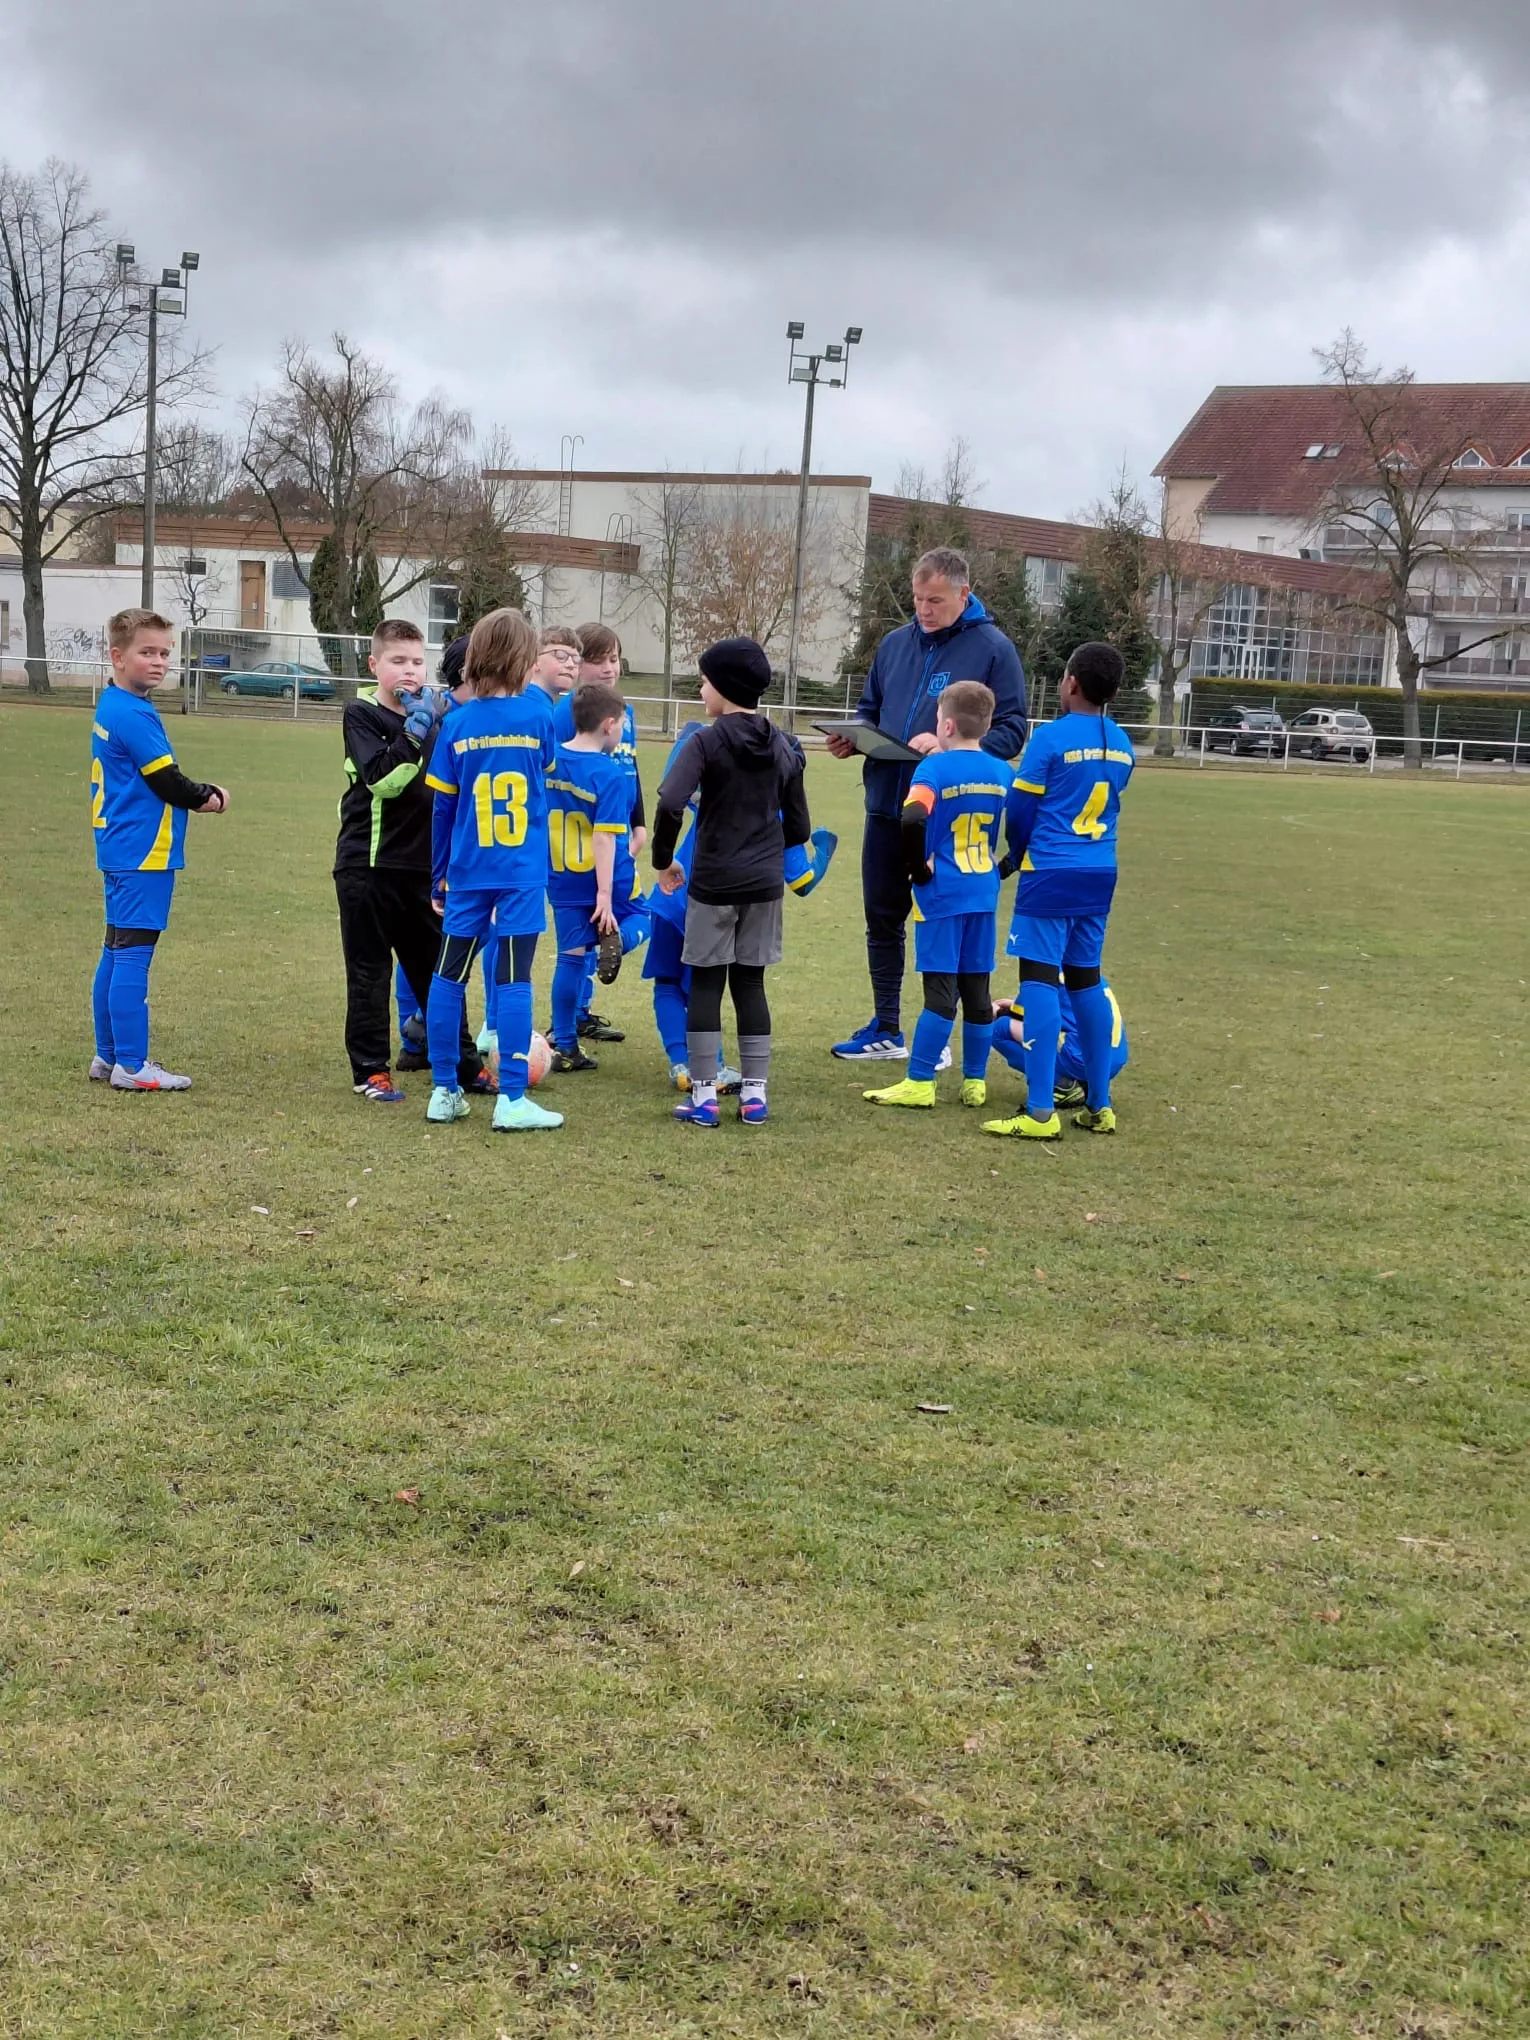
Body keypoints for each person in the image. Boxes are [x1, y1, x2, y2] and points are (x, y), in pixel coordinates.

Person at [826, 546, 1027, 1061]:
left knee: (944, 927)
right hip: (886, 804)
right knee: (882, 918)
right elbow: (869, 708)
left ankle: (937, 1041)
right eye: (917, 598)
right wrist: (854, 735)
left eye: (934, 600)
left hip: (949, 818)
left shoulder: (994, 650)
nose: (923, 609)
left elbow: (1012, 729)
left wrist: (951, 747)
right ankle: (887, 1027)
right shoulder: (895, 644)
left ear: (964, 594)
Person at [651, 637, 810, 1128]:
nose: (700, 691)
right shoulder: (784, 745)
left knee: (705, 983)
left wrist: (663, 861)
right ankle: (755, 1095)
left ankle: (704, 1097)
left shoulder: (704, 741)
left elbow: (670, 802)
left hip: (714, 883)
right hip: (764, 886)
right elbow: (799, 827)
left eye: (704, 682)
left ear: (722, 686)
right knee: (750, 983)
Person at [983, 640, 1134, 1141]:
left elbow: (1021, 811)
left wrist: (1014, 855)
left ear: (1069, 683)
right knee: (1087, 980)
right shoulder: (1123, 743)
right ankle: (1099, 1105)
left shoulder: (1049, 739)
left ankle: (1040, 1111)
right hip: (1100, 870)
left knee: (1039, 981)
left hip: (1050, 871)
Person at [423, 607, 561, 1132]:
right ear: (525, 661)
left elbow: (442, 810)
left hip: (467, 870)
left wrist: (438, 875)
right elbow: (544, 772)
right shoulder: (539, 718)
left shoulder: (456, 723)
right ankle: (512, 1100)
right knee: (514, 978)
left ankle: (443, 1091)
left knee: (449, 974)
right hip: (521, 870)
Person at [333, 618, 481, 1103]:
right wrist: (415, 730)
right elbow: (384, 781)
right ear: (374, 665)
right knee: (370, 973)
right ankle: (371, 1070)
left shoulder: (436, 718)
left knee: (440, 974)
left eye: (417, 661)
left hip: (423, 871)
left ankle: (464, 1065)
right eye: (398, 661)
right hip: (368, 866)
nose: (410, 671)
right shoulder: (361, 714)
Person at [89, 607, 229, 1091]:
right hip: (142, 850)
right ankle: (131, 1065)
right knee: (132, 953)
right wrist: (211, 796)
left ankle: (108, 1055)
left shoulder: (112, 703)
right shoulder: (133, 713)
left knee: (115, 948)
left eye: (165, 653)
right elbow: (167, 781)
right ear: (117, 656)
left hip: (119, 846)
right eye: (147, 652)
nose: (159, 662)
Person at [862, 680, 1012, 1111]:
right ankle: (975, 1082)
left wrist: (917, 868)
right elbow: (1026, 822)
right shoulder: (1002, 771)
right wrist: (1006, 865)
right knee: (977, 989)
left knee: (941, 991)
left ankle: (920, 1081)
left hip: (943, 894)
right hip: (982, 891)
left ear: (946, 725)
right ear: (986, 726)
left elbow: (912, 818)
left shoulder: (933, 769)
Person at [546, 680, 650, 1072]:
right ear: (608, 725)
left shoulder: (549, 763)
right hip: (608, 875)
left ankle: (565, 1046)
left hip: (562, 876)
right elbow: (605, 836)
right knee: (645, 916)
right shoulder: (608, 774)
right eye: (622, 724)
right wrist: (604, 894)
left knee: (570, 957)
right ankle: (619, 940)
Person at [990, 980, 1128, 1111]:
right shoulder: (1087, 971)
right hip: (1112, 1059)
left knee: (999, 1029)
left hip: (1081, 1058)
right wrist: (1014, 1005)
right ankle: (1094, 1087)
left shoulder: (1046, 970)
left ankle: (1062, 1085)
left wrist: (998, 1012)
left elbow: (1026, 1015)